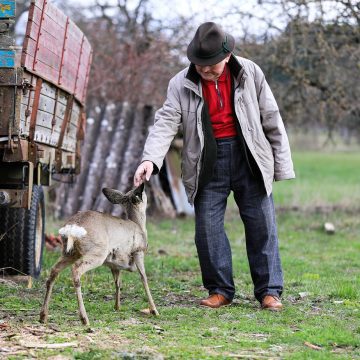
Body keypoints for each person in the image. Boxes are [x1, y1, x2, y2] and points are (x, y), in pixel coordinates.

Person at [134, 22, 295, 311]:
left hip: (250, 158)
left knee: (263, 227)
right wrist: (150, 159)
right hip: (207, 160)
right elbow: (166, 122)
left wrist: (281, 165)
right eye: (200, 65)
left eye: (212, 66)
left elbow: (272, 117)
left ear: (227, 57)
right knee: (206, 229)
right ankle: (220, 289)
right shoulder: (180, 83)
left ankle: (269, 292)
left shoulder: (250, 72)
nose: (205, 71)